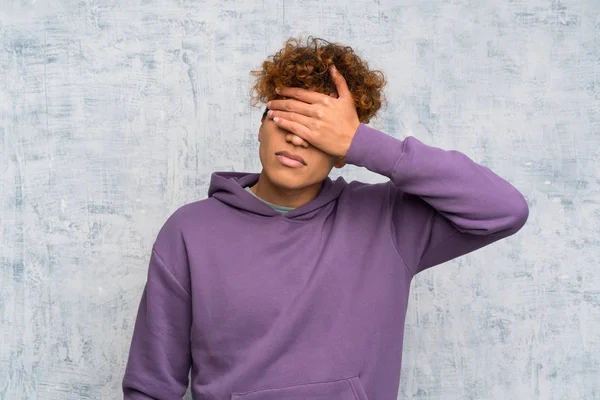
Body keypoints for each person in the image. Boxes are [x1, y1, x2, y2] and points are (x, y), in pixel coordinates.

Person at [122, 36, 529, 400]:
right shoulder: (191, 230)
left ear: (341, 152)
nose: (297, 137)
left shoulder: (388, 221)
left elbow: (504, 210)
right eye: (285, 118)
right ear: (261, 127)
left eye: (317, 130)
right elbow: (151, 385)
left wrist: (364, 143)